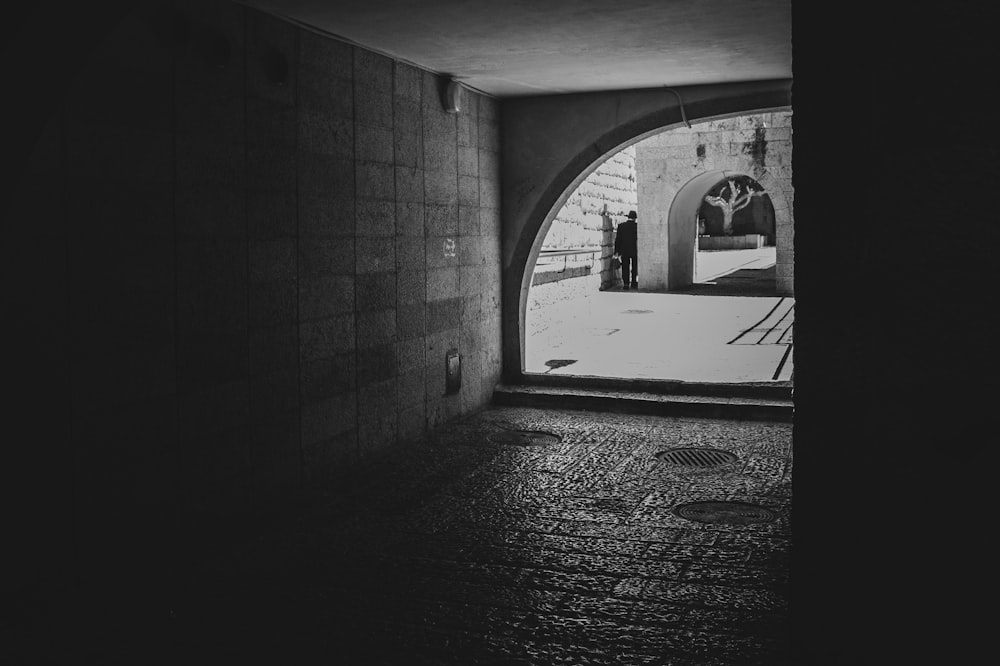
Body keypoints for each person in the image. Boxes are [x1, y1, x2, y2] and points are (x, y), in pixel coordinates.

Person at [614, 210, 638, 290]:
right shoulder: (637, 226)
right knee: (634, 266)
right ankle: (634, 282)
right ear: (635, 218)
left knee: (625, 266)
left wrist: (616, 251)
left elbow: (618, 240)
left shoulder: (621, 226)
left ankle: (626, 283)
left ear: (628, 217)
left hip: (624, 250)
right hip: (634, 249)